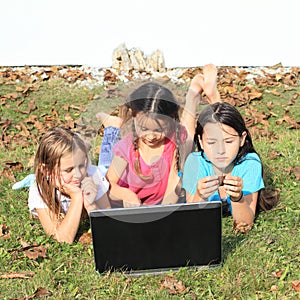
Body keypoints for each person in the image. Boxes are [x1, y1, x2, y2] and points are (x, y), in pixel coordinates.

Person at [99, 64, 221, 207]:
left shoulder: (173, 139)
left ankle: (194, 94)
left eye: (159, 130)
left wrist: (162, 212)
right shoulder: (127, 146)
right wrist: (126, 195)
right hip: (129, 197)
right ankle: (112, 128)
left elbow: (173, 188)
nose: (151, 136)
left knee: (186, 143)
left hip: (157, 204)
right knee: (103, 167)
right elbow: (108, 186)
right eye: (144, 128)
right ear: (133, 118)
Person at [182, 102, 277, 233]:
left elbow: (244, 224)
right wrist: (200, 196)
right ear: (201, 141)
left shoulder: (250, 163)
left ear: (242, 139)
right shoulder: (194, 162)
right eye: (211, 142)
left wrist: (237, 198)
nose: (220, 150)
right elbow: (190, 220)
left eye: (228, 141)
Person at [27, 127, 110, 244]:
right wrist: (77, 197)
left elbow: (109, 223)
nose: (78, 174)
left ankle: (112, 130)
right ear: (46, 171)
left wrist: (91, 206)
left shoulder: (93, 175)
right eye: (68, 170)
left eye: (81, 166)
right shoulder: (40, 189)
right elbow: (62, 239)